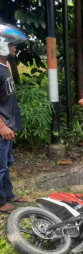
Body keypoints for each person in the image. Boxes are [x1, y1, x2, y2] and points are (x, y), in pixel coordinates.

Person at [0, 39, 24, 213]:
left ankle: (8, 194)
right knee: (0, 165)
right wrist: (1, 126)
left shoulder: (4, 68)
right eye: (10, 45)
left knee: (6, 163)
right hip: (2, 127)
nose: (14, 48)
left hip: (8, 124)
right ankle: (1, 201)